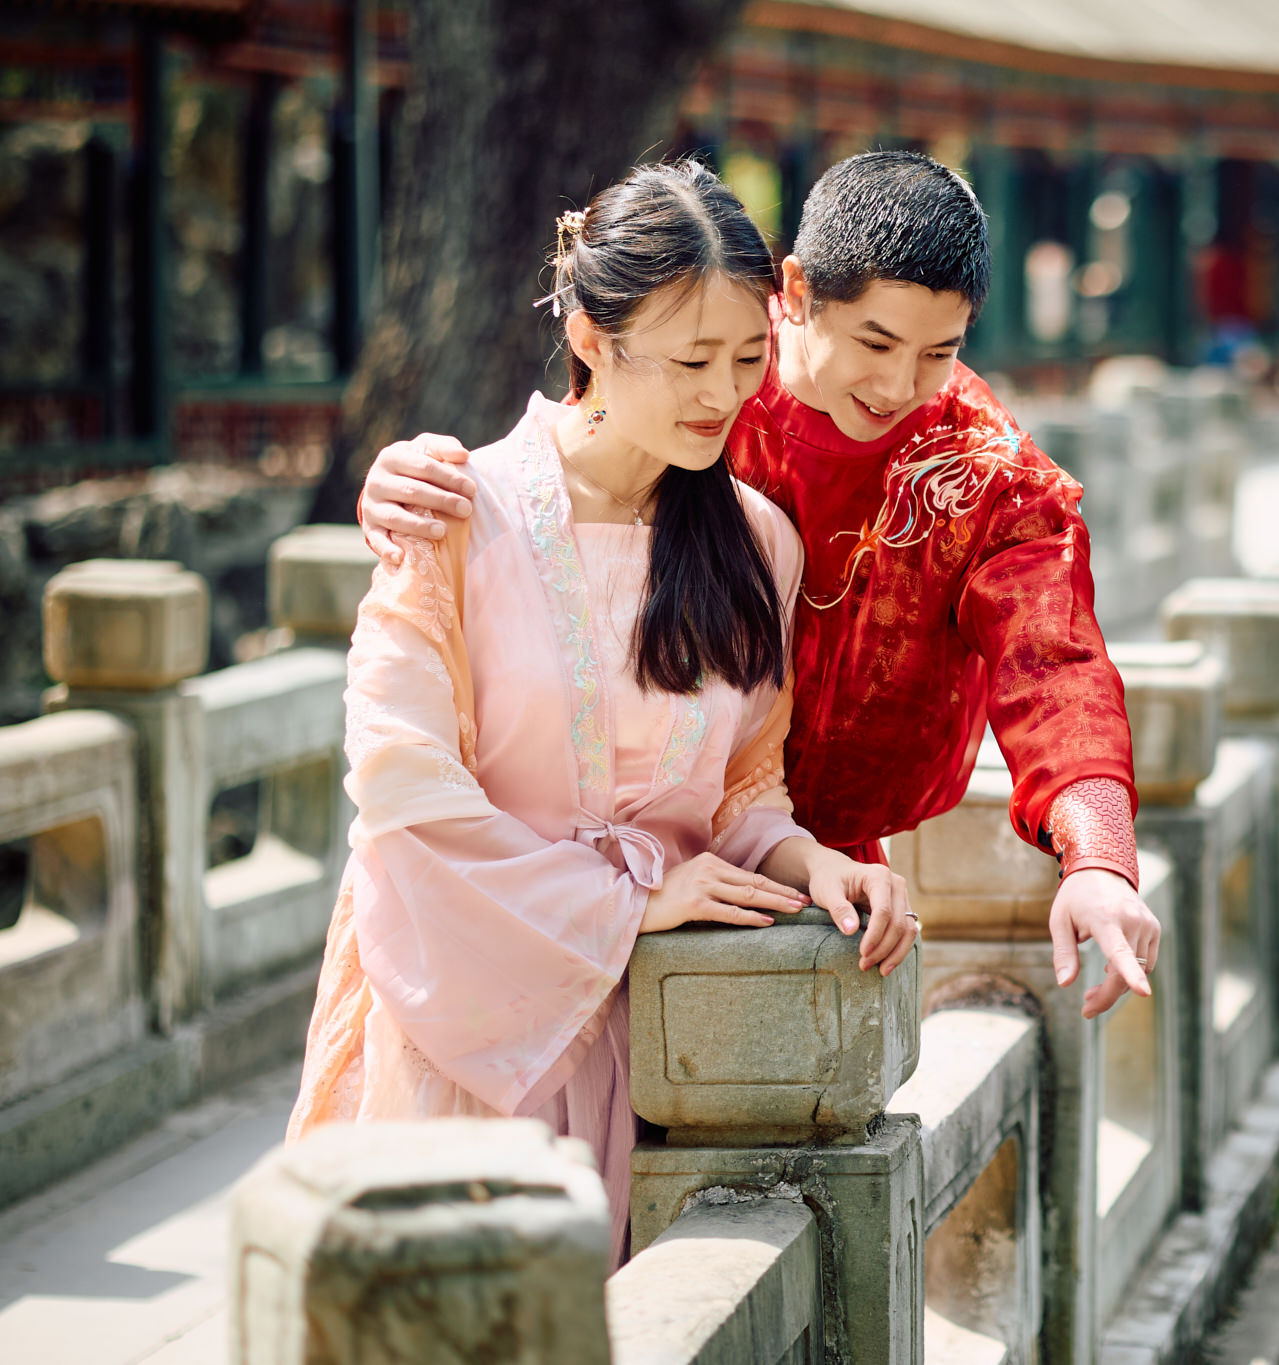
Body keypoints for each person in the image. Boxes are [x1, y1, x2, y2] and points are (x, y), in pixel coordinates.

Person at [358, 152, 1160, 1020]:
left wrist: (1100, 857)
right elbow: (577, 462)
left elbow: (1058, 665)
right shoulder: (710, 362)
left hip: (803, 877)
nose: (898, 386)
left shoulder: (982, 474)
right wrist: (420, 492)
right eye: (875, 342)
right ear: (798, 292)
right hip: (582, 871)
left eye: (938, 353)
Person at [289, 162, 916, 1262]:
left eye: (745, 358)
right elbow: (402, 787)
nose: (721, 395)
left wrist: (812, 864)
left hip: (655, 1038)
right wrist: (625, 901)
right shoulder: (455, 514)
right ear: (589, 335)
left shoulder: (757, 540)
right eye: (687, 361)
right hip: (468, 1028)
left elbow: (737, 792)